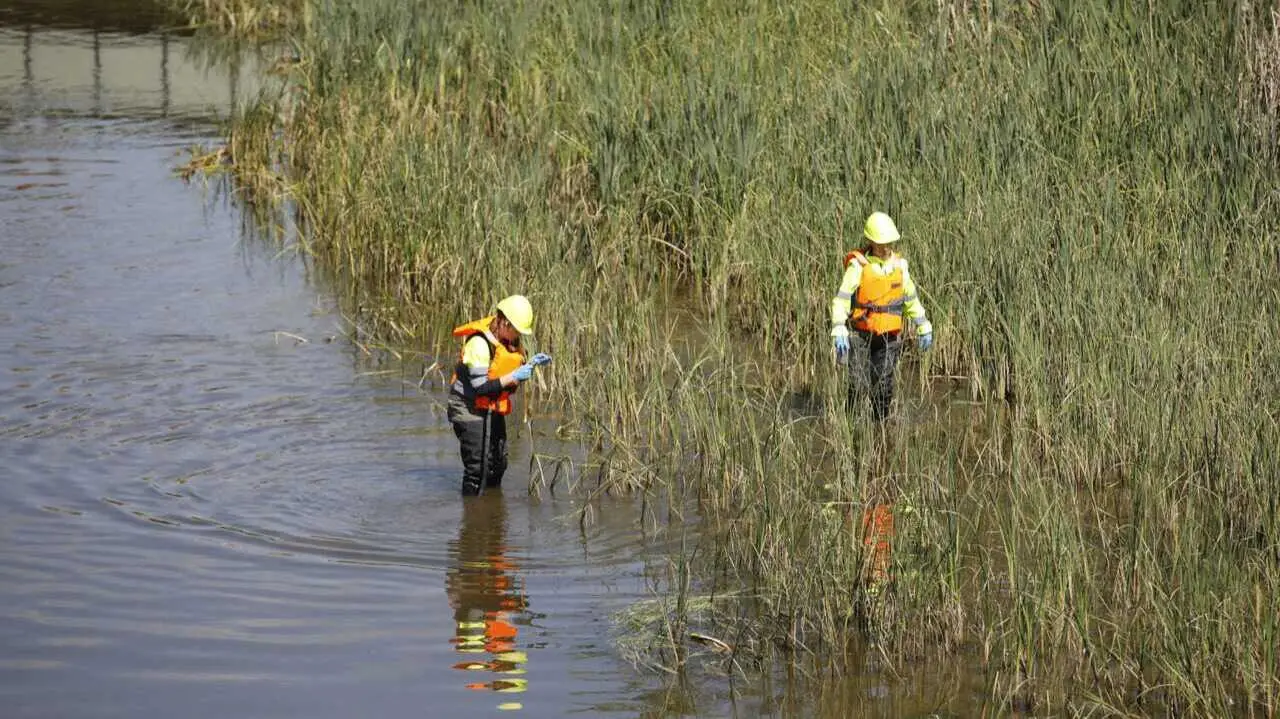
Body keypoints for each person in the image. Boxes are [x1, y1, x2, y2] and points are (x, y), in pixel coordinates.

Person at [830, 212, 933, 421]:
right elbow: (841, 298)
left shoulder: (899, 267)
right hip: (860, 336)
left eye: (889, 242)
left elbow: (911, 299)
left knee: (883, 386)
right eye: (881, 243)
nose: (886, 247)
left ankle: (880, 430)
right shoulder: (857, 266)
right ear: (871, 241)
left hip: (889, 339)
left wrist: (924, 326)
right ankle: (851, 427)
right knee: (858, 386)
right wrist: (839, 327)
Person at [448, 294, 550, 496]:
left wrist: (528, 368)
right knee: (477, 469)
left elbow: (504, 382)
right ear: (504, 322)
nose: (518, 337)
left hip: (490, 407)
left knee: (498, 462)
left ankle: (493, 514)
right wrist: (513, 375)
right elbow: (480, 388)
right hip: (468, 408)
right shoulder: (479, 343)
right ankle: (473, 517)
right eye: (517, 331)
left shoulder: (507, 342)